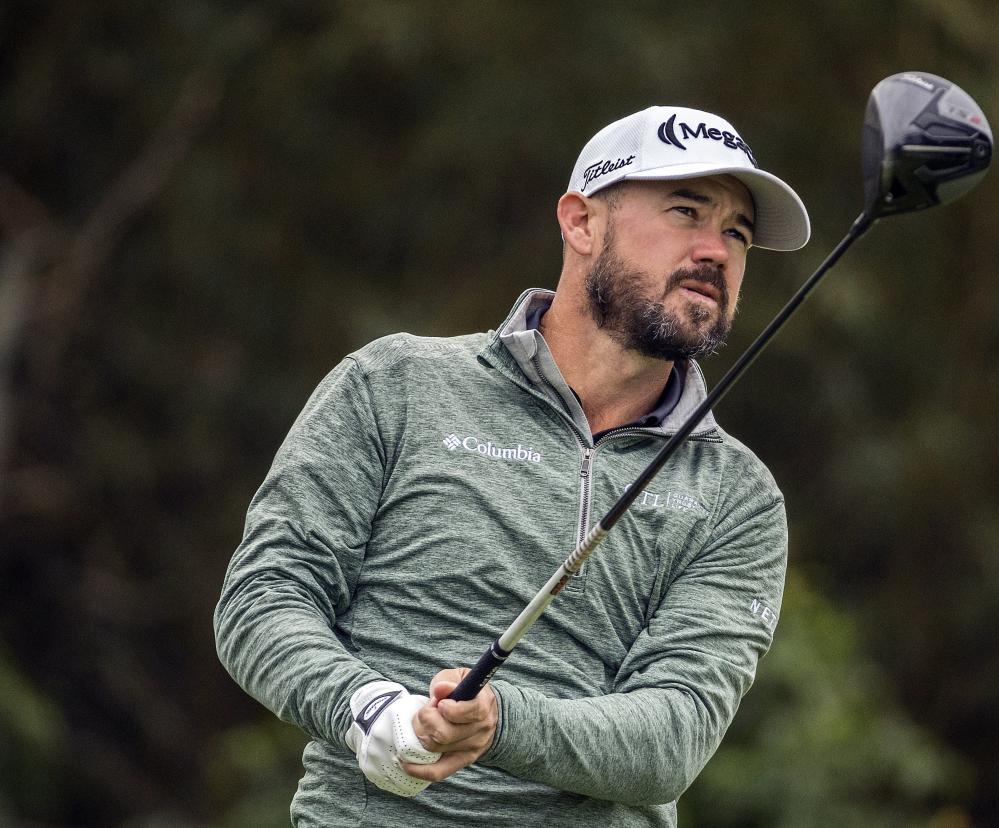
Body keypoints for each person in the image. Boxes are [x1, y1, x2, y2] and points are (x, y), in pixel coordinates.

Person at [214, 104, 811, 826]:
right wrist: (366, 706)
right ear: (581, 222)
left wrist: (500, 723)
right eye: (686, 211)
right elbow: (265, 598)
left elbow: (673, 736)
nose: (716, 251)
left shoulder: (736, 495)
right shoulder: (395, 384)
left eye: (737, 233)